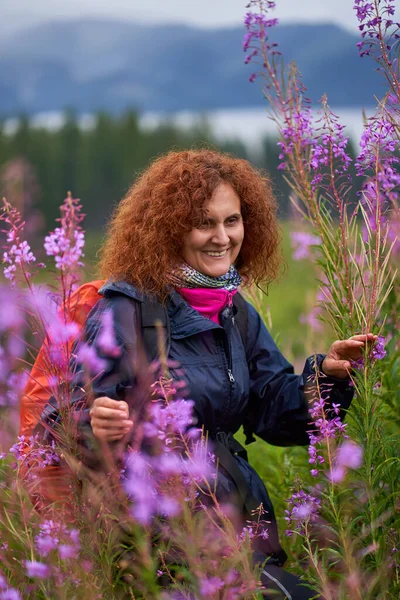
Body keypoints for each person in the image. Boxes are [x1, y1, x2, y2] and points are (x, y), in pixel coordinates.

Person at [22, 149, 376, 599]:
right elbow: (57, 431)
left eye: (232, 221)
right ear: (170, 229)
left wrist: (328, 375)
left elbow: (274, 414)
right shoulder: (125, 310)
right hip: (157, 546)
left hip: (238, 528)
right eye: (204, 223)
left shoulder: (235, 314)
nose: (222, 237)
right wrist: (95, 423)